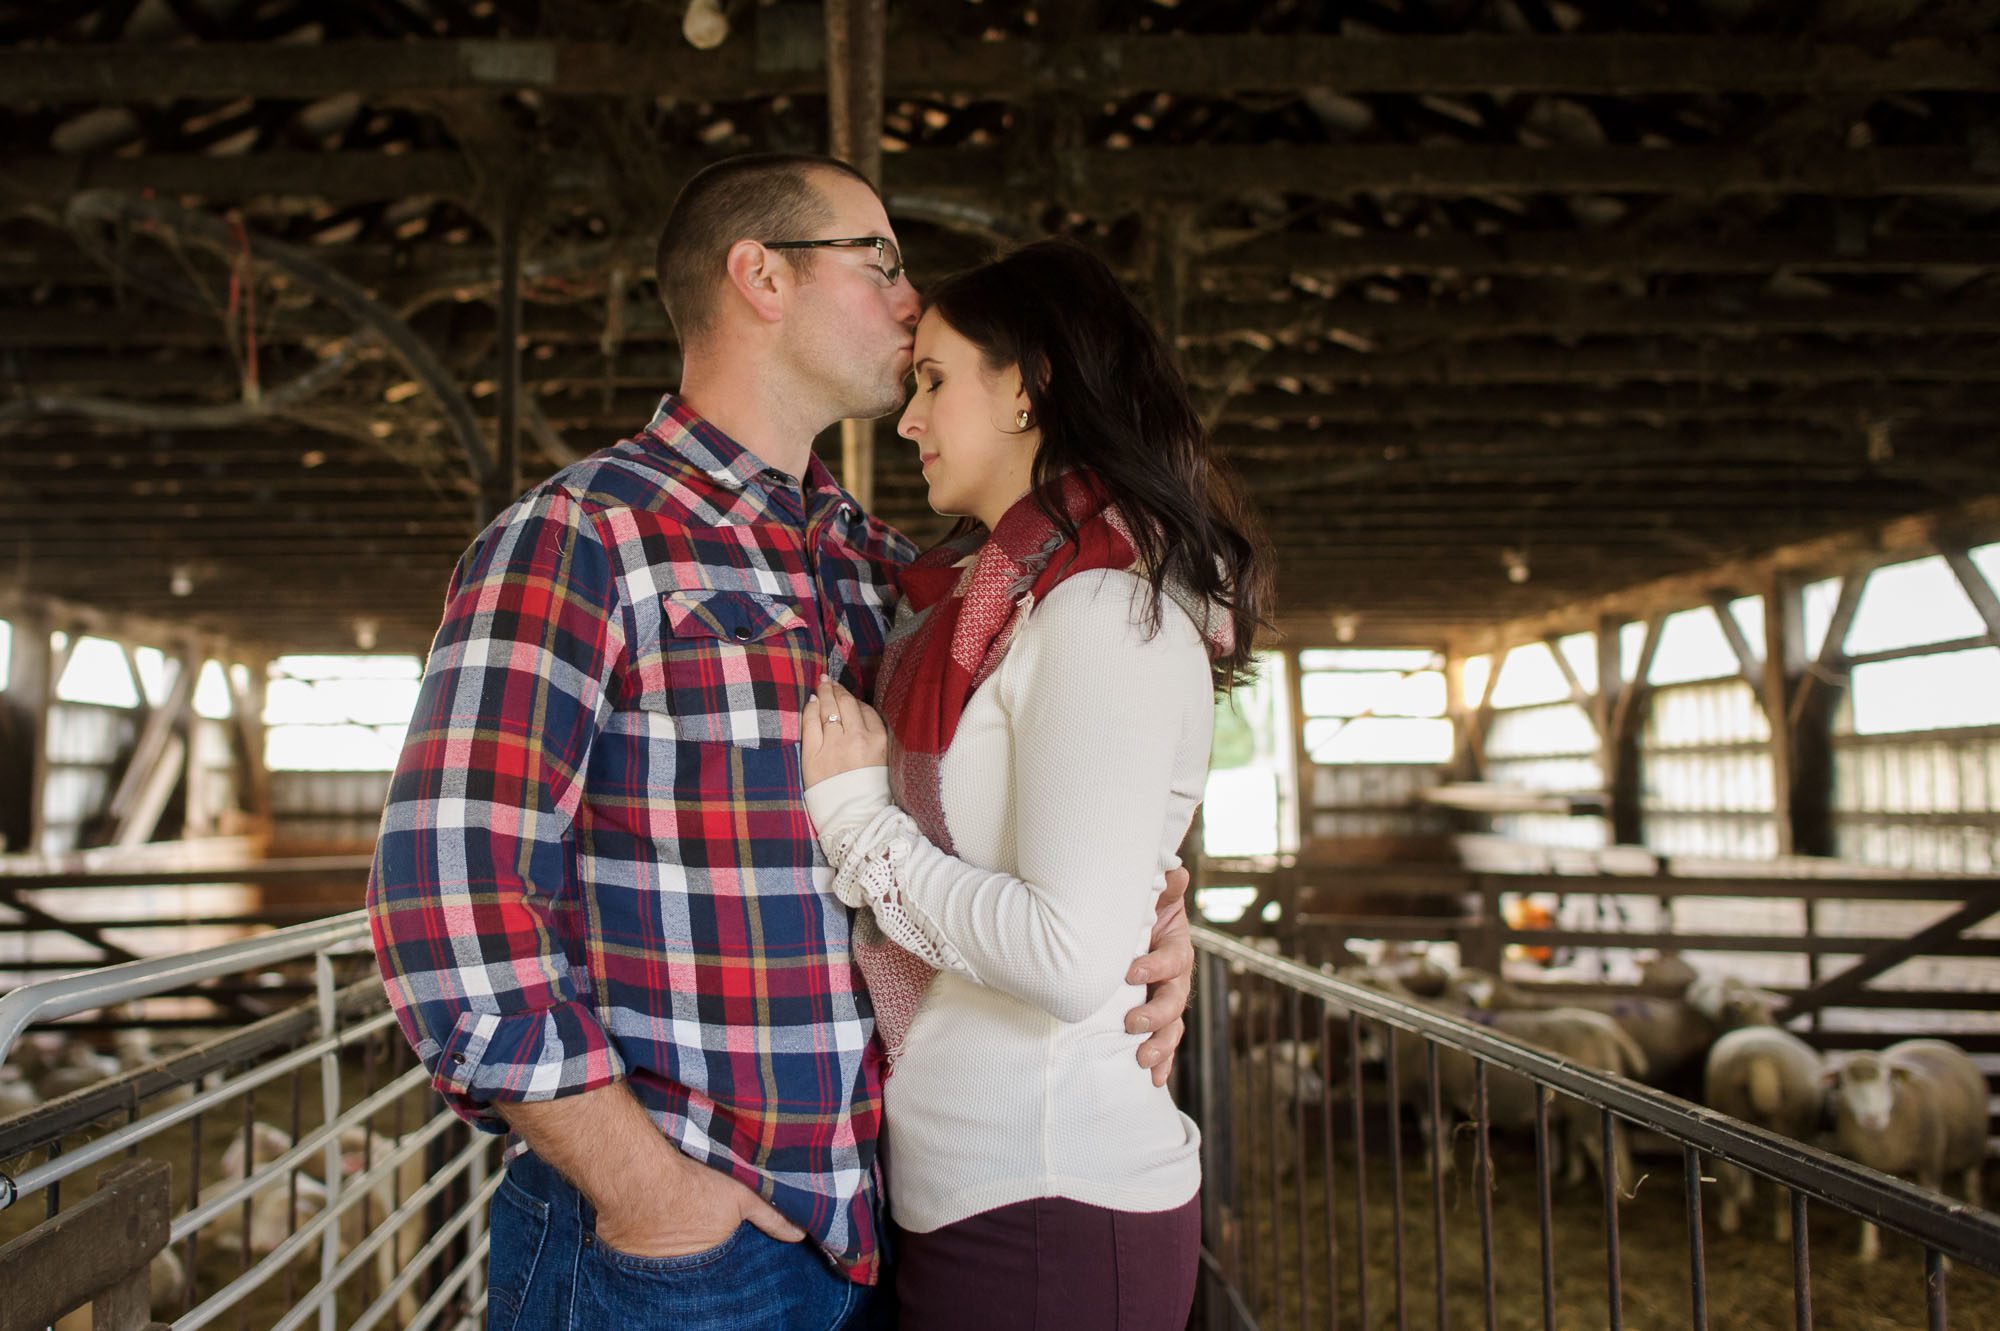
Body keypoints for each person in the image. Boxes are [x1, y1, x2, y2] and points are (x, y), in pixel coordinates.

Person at [364, 154, 1195, 1331]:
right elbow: (446, 894)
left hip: (868, 1221)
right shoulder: (584, 536)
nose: (912, 300)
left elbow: (1008, 796)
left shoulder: (871, 563)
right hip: (676, 1241)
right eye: (882, 262)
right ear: (759, 273)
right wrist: (646, 1190)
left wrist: (1150, 914)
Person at [797, 239, 1270, 1329]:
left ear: (1027, 384)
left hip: (1049, 1199)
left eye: (932, 380)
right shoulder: (1009, 606)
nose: (906, 419)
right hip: (992, 1186)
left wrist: (859, 820)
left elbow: (1067, 956)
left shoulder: (1102, 614)